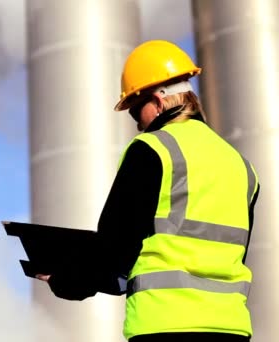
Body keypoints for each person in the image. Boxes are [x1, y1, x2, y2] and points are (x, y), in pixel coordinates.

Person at [35, 40, 260, 342]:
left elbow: (115, 244)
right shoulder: (240, 165)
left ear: (155, 100)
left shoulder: (153, 149)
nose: (138, 125)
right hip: (231, 326)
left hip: (165, 324)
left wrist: (66, 280)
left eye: (135, 111)